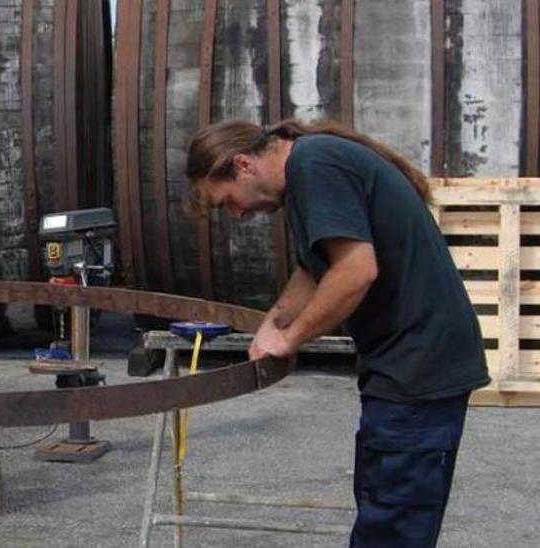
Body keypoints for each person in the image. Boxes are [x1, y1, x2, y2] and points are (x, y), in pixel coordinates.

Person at [186, 118, 490, 547]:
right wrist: (276, 321)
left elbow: (355, 270)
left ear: (242, 164)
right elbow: (318, 267)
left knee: (392, 530)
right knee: (382, 511)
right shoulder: (310, 167)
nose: (236, 214)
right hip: (405, 366)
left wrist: (291, 339)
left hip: (417, 369)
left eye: (227, 202)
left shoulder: (314, 165)